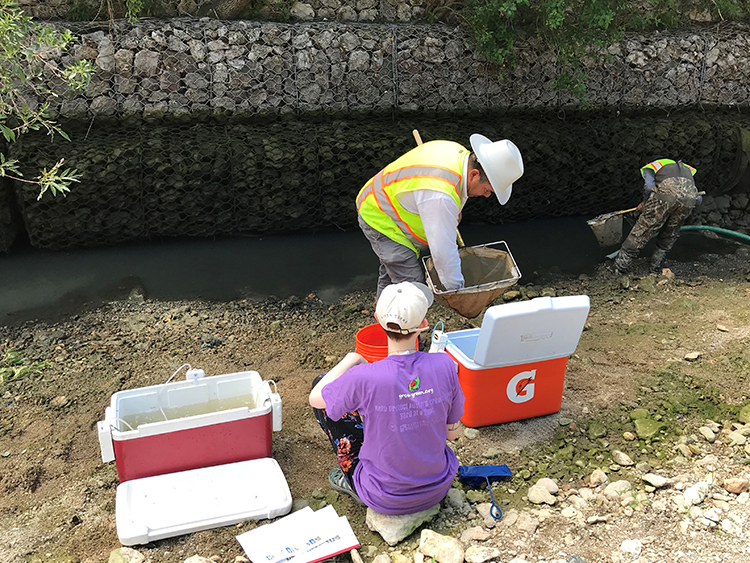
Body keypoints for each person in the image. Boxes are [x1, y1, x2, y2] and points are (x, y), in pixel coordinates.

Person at [308, 281, 465, 514]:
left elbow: (315, 398)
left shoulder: (364, 376)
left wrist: (353, 358)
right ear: (423, 325)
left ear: (377, 320)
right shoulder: (444, 365)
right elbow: (452, 435)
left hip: (382, 495)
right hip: (437, 487)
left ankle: (353, 483)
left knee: (323, 384)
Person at [356, 135, 524, 297]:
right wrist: (459, 292)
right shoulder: (439, 194)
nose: (487, 195)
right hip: (381, 217)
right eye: (488, 190)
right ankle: (405, 324)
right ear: (474, 174)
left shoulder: (458, 153)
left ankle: (384, 321)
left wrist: (454, 210)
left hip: (386, 203)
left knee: (394, 277)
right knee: (412, 291)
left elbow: (455, 192)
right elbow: (442, 253)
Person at [613, 158, 701, 275]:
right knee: (670, 233)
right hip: (689, 202)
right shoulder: (687, 169)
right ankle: (656, 268)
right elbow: (698, 199)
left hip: (664, 197)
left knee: (641, 231)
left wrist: (645, 203)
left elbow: (649, 187)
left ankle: (620, 268)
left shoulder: (652, 167)